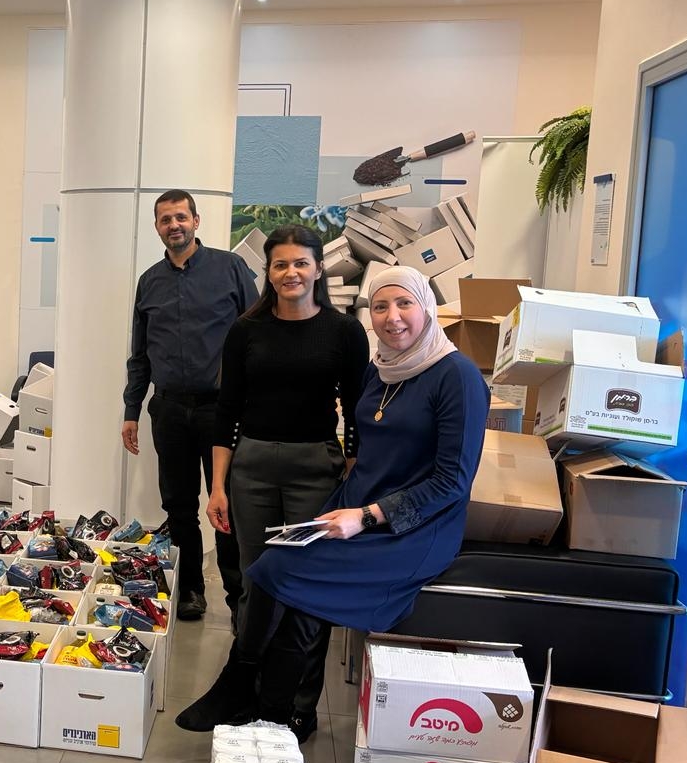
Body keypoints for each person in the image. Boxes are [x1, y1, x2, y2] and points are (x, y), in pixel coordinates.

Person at [187, 266, 488, 737]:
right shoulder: (381, 369)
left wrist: (366, 517)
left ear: (427, 308)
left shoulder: (458, 377)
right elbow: (362, 445)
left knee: (288, 583)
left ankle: (256, 701)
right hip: (355, 506)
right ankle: (262, 704)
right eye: (380, 306)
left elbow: (453, 482)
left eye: (404, 304)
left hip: (413, 528)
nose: (392, 317)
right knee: (271, 569)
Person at [178, 225, 368, 732]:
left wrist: (351, 478)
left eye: (301, 263)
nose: (291, 273)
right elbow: (227, 411)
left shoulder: (344, 332)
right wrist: (218, 486)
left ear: (318, 268)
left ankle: (298, 706)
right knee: (255, 582)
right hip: (253, 469)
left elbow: (356, 411)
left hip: (315, 470)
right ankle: (250, 694)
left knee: (304, 588)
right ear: (268, 271)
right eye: (281, 264)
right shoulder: (246, 330)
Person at [122, 190, 258, 621]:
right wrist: (131, 410)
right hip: (169, 410)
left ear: (196, 221)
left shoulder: (230, 268)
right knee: (178, 506)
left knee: (228, 505)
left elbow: (258, 337)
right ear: (157, 227)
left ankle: (239, 599)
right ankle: (191, 591)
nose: (174, 225)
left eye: (181, 217)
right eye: (165, 219)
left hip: (223, 411)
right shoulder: (149, 282)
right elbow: (140, 354)